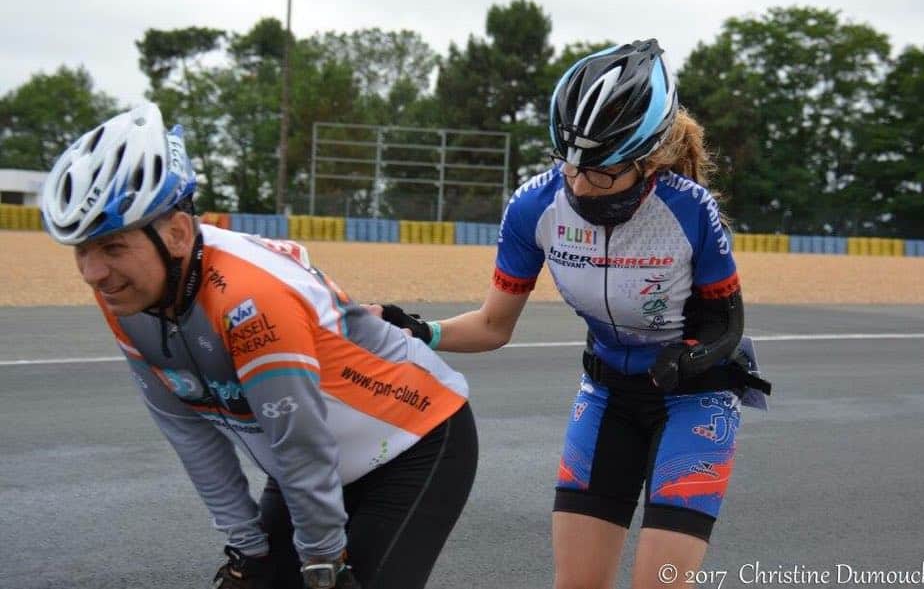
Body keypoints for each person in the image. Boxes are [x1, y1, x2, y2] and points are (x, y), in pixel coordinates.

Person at [376, 40, 770, 589]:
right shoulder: (535, 206)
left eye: (602, 172)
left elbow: (726, 326)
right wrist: (417, 331)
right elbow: (493, 326)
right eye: (570, 163)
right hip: (607, 395)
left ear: (647, 159)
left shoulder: (688, 210)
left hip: (692, 399)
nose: (581, 183)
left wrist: (691, 359)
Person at [40, 103, 478, 589]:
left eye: (113, 247)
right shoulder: (124, 295)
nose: (93, 274)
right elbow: (188, 429)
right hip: (308, 457)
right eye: (82, 250)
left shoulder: (250, 298)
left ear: (178, 234)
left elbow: (300, 442)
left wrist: (323, 563)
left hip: (413, 442)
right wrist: (247, 548)